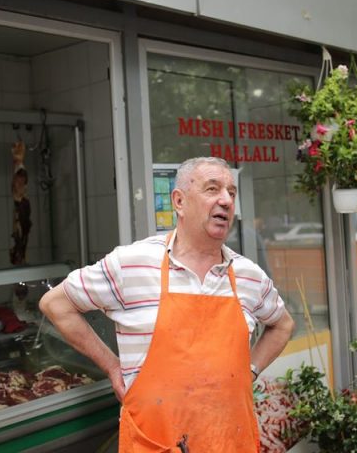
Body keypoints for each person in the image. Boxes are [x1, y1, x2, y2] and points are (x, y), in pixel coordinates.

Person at [39, 156, 294, 452]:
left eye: (231, 192)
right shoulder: (132, 264)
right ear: (179, 201)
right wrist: (111, 366)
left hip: (229, 441)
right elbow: (56, 304)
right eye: (212, 189)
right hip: (157, 443)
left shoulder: (249, 276)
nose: (226, 200)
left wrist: (250, 370)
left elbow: (282, 324)